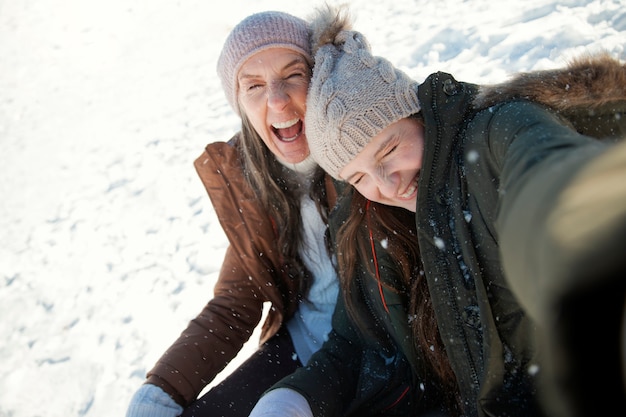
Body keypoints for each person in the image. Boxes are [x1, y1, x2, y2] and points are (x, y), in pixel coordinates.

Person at [249, 5, 626, 417]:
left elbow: (548, 186)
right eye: (358, 177)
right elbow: (360, 341)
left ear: (417, 116)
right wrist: (290, 400)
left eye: (390, 149)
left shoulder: (495, 136)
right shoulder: (371, 224)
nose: (386, 184)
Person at [125, 10, 345, 417]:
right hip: (298, 348)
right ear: (240, 104)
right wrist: (161, 392)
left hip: (374, 355)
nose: (277, 100)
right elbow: (236, 300)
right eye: (254, 85)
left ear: (319, 80)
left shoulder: (363, 153)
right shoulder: (251, 179)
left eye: (293, 75)